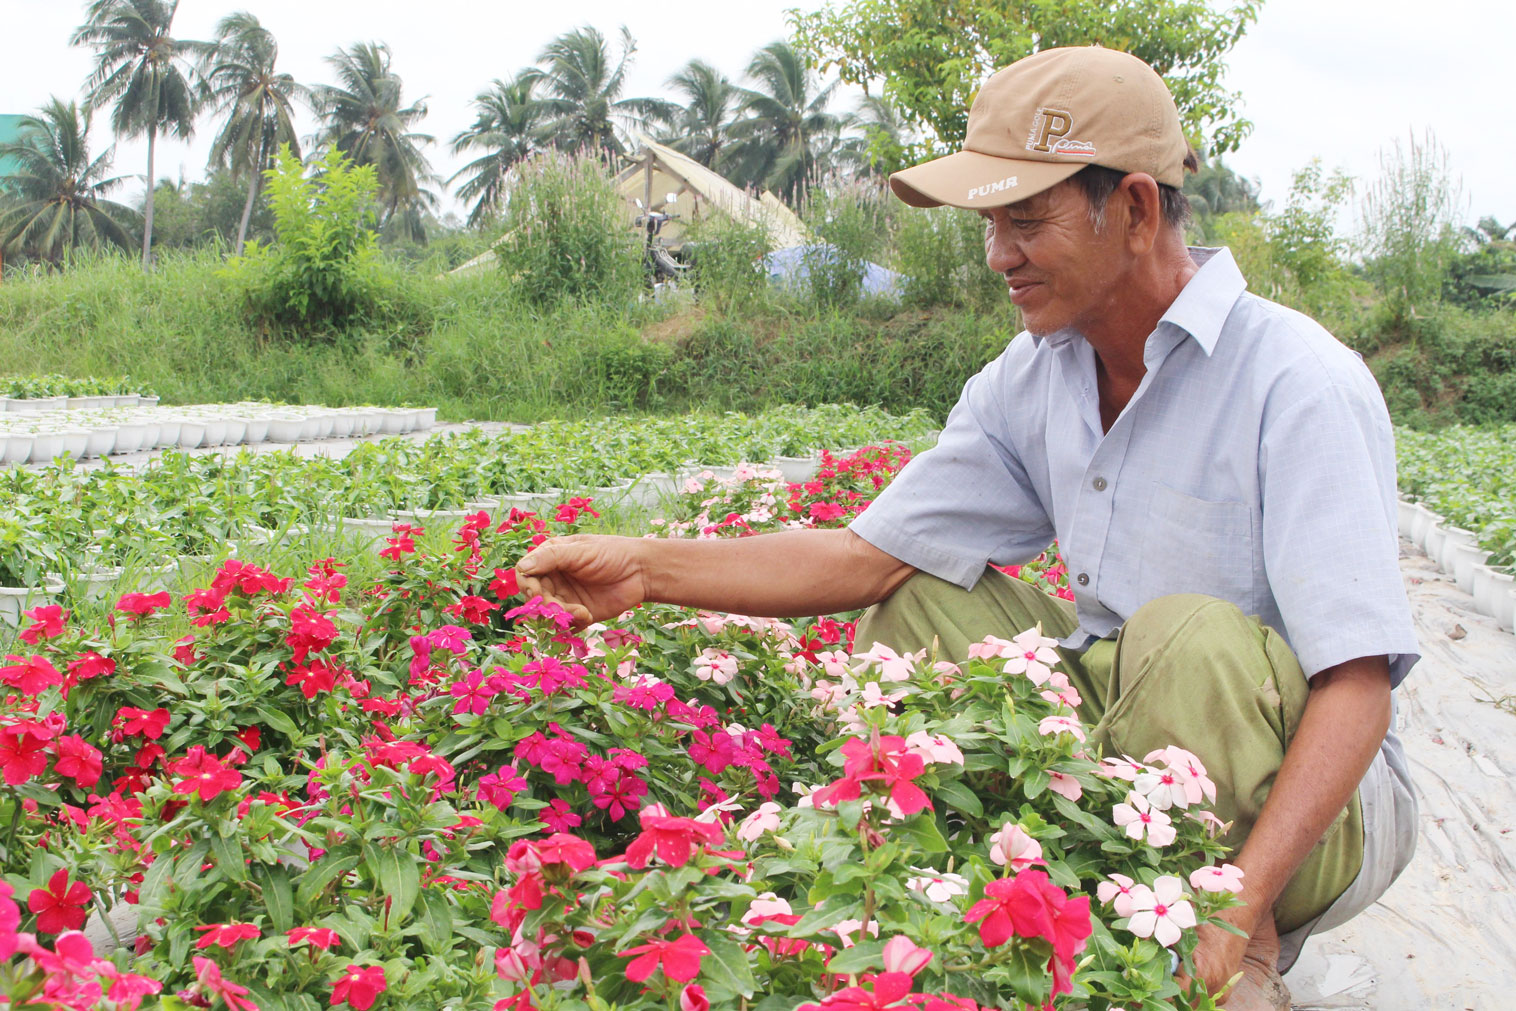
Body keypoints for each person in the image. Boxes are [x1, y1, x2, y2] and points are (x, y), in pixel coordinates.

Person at [517, 45, 1418, 1011]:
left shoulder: (1296, 383)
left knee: (1189, 640)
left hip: (1314, 810)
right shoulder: (1035, 374)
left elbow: (1357, 685)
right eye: (992, 224)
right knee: (920, 598)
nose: (998, 256)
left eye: (1027, 221)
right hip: (1130, 743)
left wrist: (1239, 903)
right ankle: (1009, 901)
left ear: (1138, 209)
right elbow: (865, 557)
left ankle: (1238, 949)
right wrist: (647, 568)